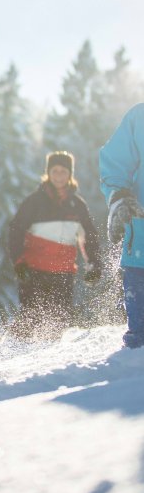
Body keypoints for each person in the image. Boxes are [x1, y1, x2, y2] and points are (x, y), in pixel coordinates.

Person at [8, 151, 101, 340]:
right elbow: (15, 231)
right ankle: (12, 354)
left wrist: (94, 264)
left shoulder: (77, 205)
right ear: (48, 173)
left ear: (70, 175)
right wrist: (18, 261)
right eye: (55, 171)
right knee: (30, 321)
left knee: (57, 324)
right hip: (34, 272)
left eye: (63, 171)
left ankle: (48, 366)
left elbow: (89, 237)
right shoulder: (34, 202)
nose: (59, 175)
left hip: (63, 274)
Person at [100, 103, 144, 348]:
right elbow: (117, 160)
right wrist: (118, 196)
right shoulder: (140, 118)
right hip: (141, 244)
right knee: (140, 342)